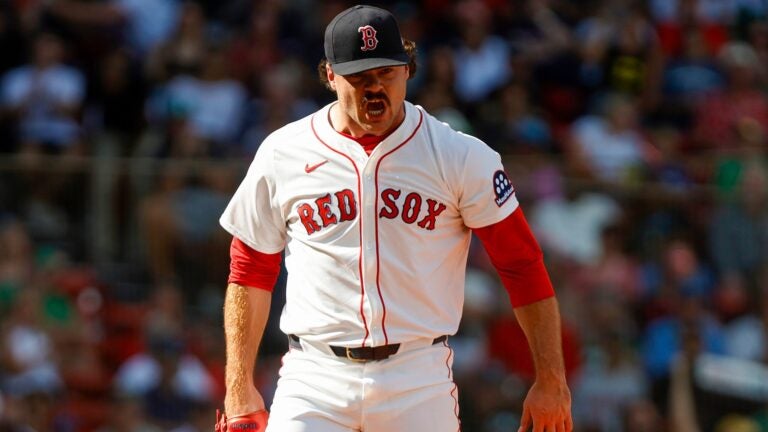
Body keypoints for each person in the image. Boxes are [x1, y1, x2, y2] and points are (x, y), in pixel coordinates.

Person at [217, 5, 572, 432]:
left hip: (417, 377)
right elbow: (250, 270)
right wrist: (238, 387)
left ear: (408, 69)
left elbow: (522, 263)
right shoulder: (284, 152)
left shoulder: (459, 155)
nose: (375, 88)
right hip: (313, 377)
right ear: (330, 76)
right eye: (360, 76)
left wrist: (552, 379)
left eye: (386, 73)